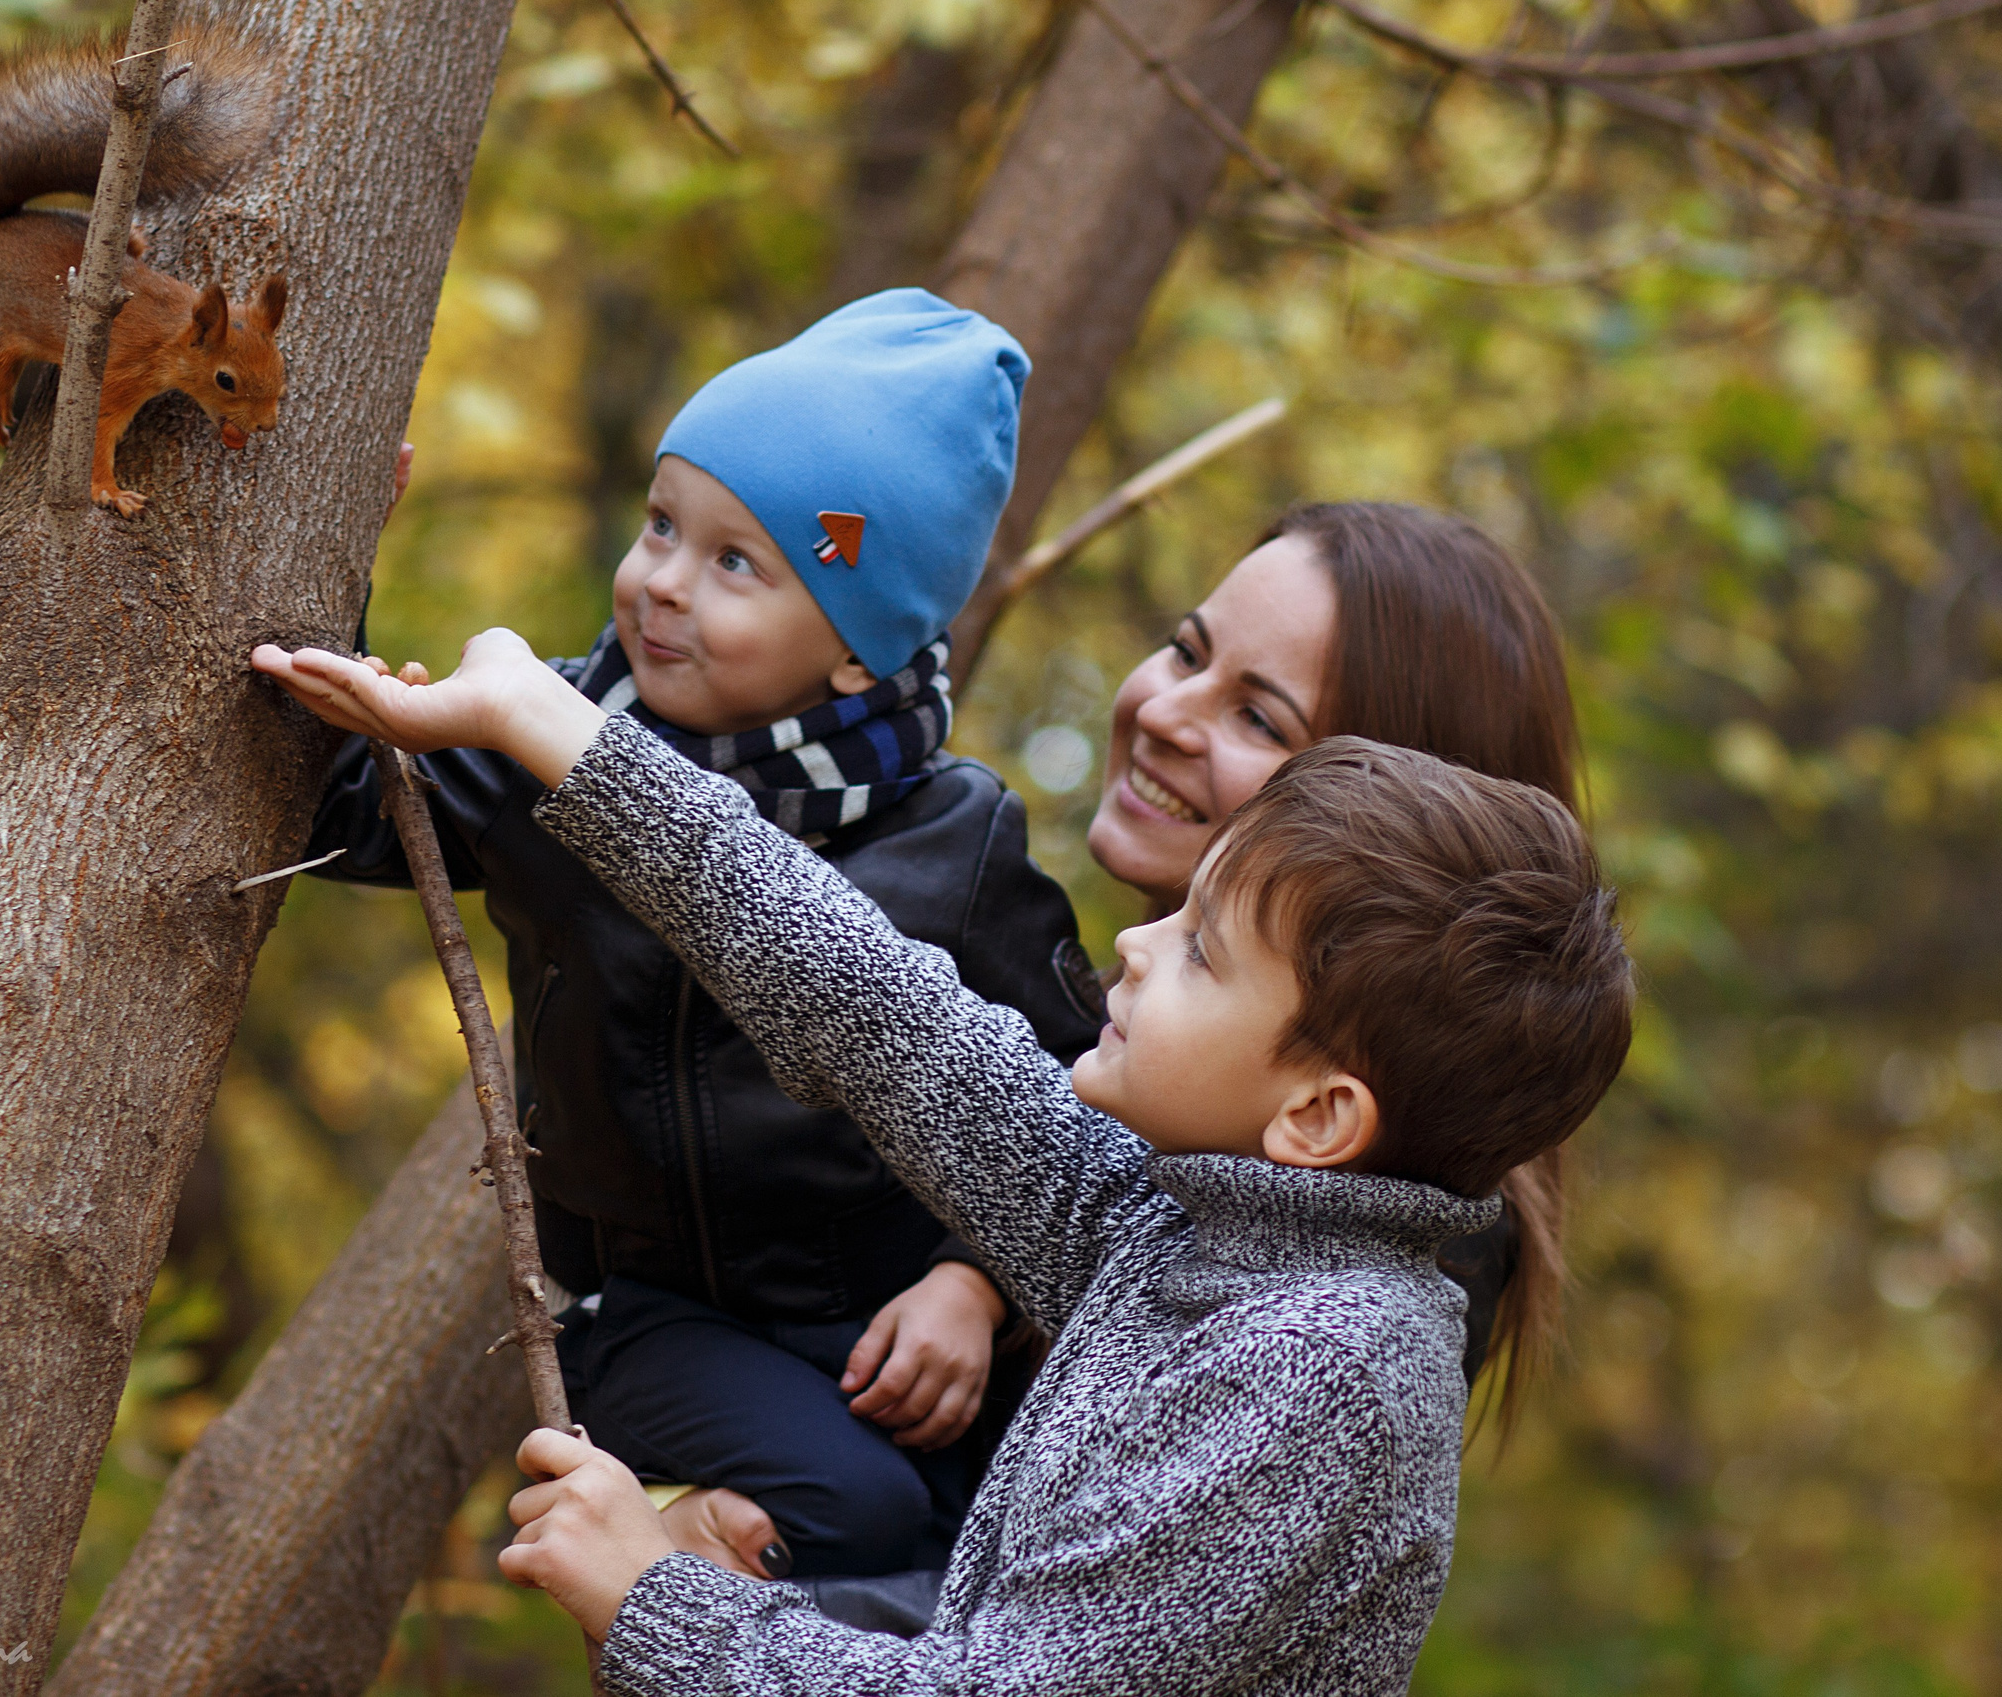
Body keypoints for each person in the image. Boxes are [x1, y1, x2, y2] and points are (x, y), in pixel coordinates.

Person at [248, 629, 1636, 1695]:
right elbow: (878, 1012)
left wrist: (655, 1599)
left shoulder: (1325, 1361)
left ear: (1319, 1116)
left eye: (1203, 948)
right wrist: (554, 724)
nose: (1139, 944)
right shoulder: (1185, 1228)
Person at [268, 289, 1102, 1582]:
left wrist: (972, 1281)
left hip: (885, 1323)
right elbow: (339, 809)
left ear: (856, 652)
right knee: (859, 1514)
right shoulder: (546, 741)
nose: (660, 582)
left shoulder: (957, 842)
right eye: (662, 524)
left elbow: (1079, 1090)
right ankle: (667, 1558)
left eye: (734, 561)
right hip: (650, 1319)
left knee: (988, 1542)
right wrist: (339, 565)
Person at [1085, 500, 1585, 1394]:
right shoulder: (1119, 1019)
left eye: (1260, 719)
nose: (1163, 709)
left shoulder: (1370, 1277)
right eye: (1186, 650)